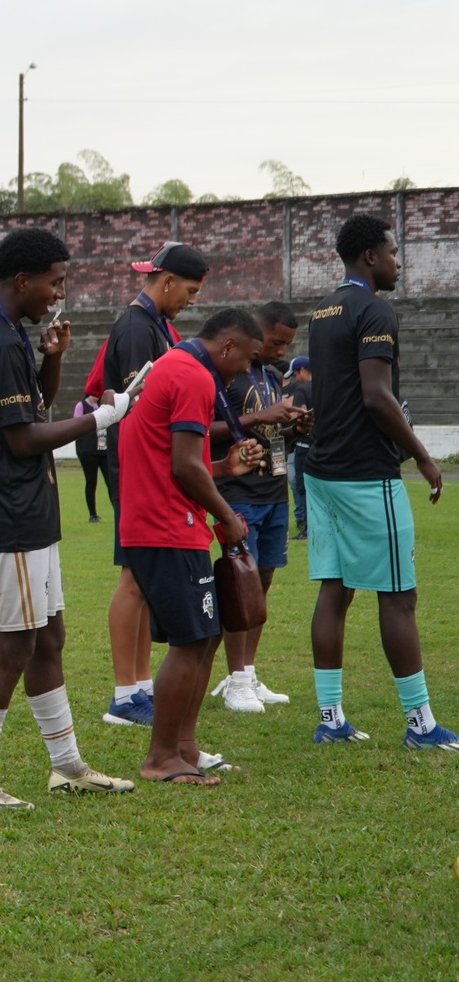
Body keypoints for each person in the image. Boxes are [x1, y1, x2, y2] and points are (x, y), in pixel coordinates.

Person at [0, 227, 136, 810]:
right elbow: (26, 439)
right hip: (11, 512)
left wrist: (52, 360)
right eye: (54, 283)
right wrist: (103, 418)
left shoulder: (1, 330)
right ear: (22, 281)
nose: (59, 293)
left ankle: (67, 765)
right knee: (14, 646)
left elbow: (37, 407)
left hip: (28, 508)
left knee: (48, 637)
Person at [304, 214, 454, 750]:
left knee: (336, 588)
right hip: (366, 474)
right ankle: (421, 726)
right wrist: (422, 456)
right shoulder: (375, 309)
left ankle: (331, 718)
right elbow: (376, 395)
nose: (398, 262)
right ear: (369, 256)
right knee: (399, 597)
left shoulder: (323, 311)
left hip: (321, 471)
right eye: (393, 252)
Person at [119, 308, 267, 786]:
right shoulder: (194, 377)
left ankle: (184, 747)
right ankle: (161, 758)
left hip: (162, 521)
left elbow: (180, 461)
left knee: (203, 636)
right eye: (248, 358)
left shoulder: (174, 367)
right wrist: (227, 516)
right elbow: (184, 468)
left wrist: (222, 469)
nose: (248, 369)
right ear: (228, 347)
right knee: (189, 642)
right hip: (166, 527)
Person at [100, 242, 206, 730]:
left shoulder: (156, 325)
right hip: (137, 471)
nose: (191, 300)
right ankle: (125, 695)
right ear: (166, 282)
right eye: (189, 290)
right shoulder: (138, 328)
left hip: (149, 472)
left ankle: (141, 686)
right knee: (132, 578)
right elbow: (139, 408)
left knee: (142, 580)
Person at [210, 301, 307, 714]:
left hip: (272, 492)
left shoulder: (270, 375)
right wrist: (262, 416)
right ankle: (235, 681)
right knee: (239, 584)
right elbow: (206, 429)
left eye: (288, 344)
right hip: (238, 492)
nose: (282, 351)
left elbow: (272, 432)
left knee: (262, 583)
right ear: (256, 333)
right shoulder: (226, 374)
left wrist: (290, 426)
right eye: (276, 342)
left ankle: (248, 673)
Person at [284, 355, 314, 539]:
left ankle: (305, 527)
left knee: (302, 487)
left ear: (303, 371)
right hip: (322, 444)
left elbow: (295, 416)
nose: (296, 378)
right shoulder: (327, 386)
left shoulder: (303, 390)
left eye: (296, 374)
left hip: (304, 444)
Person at [71, 395, 111, 523]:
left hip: (104, 449)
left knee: (111, 481)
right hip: (88, 451)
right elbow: (76, 426)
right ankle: (93, 514)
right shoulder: (82, 405)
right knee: (91, 481)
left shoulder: (104, 404)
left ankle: (119, 511)